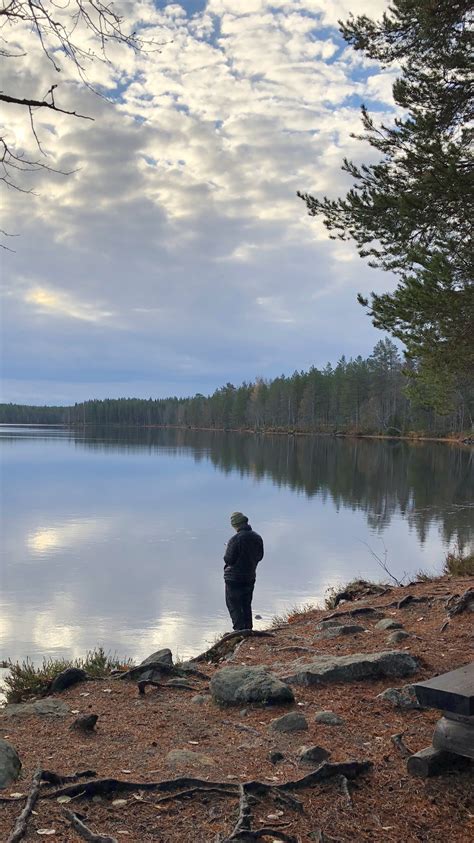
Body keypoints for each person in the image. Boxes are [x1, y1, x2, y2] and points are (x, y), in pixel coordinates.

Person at [223, 511, 264, 631]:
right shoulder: (257, 537)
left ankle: (239, 632)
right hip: (250, 576)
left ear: (235, 525)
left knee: (234, 605)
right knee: (246, 604)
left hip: (233, 578)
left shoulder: (235, 539)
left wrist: (227, 549)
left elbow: (229, 559)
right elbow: (260, 556)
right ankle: (248, 630)